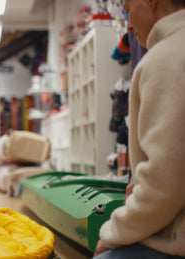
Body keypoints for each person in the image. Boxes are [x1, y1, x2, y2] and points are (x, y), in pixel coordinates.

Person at [94, 0, 185, 258]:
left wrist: (112, 233)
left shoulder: (166, 57)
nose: (129, 25)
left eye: (126, 8)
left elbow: (166, 184)